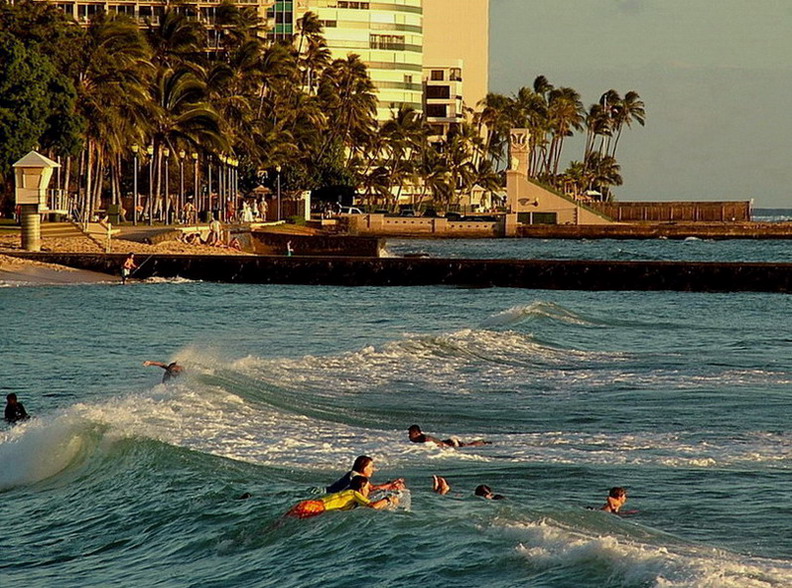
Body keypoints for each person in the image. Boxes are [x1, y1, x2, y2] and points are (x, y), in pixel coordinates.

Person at [286, 475, 397, 519]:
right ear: (361, 488)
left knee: (278, 526)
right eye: (368, 488)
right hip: (314, 507)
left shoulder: (348, 493)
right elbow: (373, 506)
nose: (369, 490)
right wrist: (389, 499)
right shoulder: (354, 494)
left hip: (309, 504)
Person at [326, 455, 405, 494]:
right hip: (325, 493)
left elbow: (370, 488)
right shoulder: (355, 475)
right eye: (371, 467)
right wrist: (391, 484)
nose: (373, 469)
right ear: (363, 468)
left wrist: (391, 486)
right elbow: (371, 488)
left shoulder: (357, 476)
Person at [408, 424, 490, 448]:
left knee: (468, 445)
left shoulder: (425, 439)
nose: (409, 436)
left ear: (416, 433)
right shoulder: (421, 439)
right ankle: (483, 443)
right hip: (447, 442)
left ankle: (483, 443)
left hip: (450, 444)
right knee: (467, 444)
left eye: (410, 434)